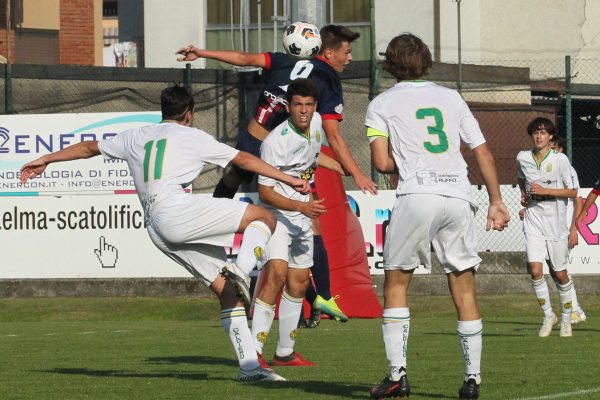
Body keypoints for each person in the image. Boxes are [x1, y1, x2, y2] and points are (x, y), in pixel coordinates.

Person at [19, 84, 312, 383]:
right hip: (176, 210)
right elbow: (244, 161)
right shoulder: (192, 136)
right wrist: (287, 177)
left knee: (228, 293)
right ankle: (242, 268)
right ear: (189, 114)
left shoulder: (135, 136)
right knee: (263, 218)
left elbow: (89, 147)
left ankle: (250, 368)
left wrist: (47, 159)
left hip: (156, 227)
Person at [176, 24, 365, 322]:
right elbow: (327, 132)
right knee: (296, 228)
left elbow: (242, 58)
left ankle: (310, 298)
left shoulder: (281, 62)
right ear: (319, 49)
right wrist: (351, 168)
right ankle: (320, 297)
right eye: (347, 52)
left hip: (256, 146)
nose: (350, 57)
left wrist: (202, 52)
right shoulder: (322, 76)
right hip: (277, 157)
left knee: (246, 198)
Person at [365, 33, 510, 400]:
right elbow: (484, 153)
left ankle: (398, 375)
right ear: (426, 60)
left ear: (391, 63)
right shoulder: (451, 97)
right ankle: (472, 379)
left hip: (417, 195)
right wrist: (496, 200)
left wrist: (413, 160)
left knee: (397, 284)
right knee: (463, 287)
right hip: (458, 196)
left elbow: (382, 162)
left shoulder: (381, 102)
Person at [251, 79, 344, 368]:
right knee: (277, 276)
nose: (303, 111)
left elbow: (312, 158)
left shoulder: (316, 123)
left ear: (315, 106)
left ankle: (285, 353)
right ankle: (252, 355)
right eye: (297, 105)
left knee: (299, 282)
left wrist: (342, 167)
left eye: (308, 104)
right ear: (288, 106)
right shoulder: (274, 142)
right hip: (276, 215)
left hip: (302, 215)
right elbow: (265, 192)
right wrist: (301, 205)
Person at [517, 118, 578, 339]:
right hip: (534, 219)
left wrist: (546, 191)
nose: (539, 136)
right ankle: (547, 315)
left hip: (556, 221)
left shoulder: (560, 160)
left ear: (551, 137)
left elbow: (572, 192)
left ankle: (566, 318)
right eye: (535, 132)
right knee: (534, 270)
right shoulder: (523, 158)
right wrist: (525, 196)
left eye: (543, 132)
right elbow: (521, 178)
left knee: (560, 274)